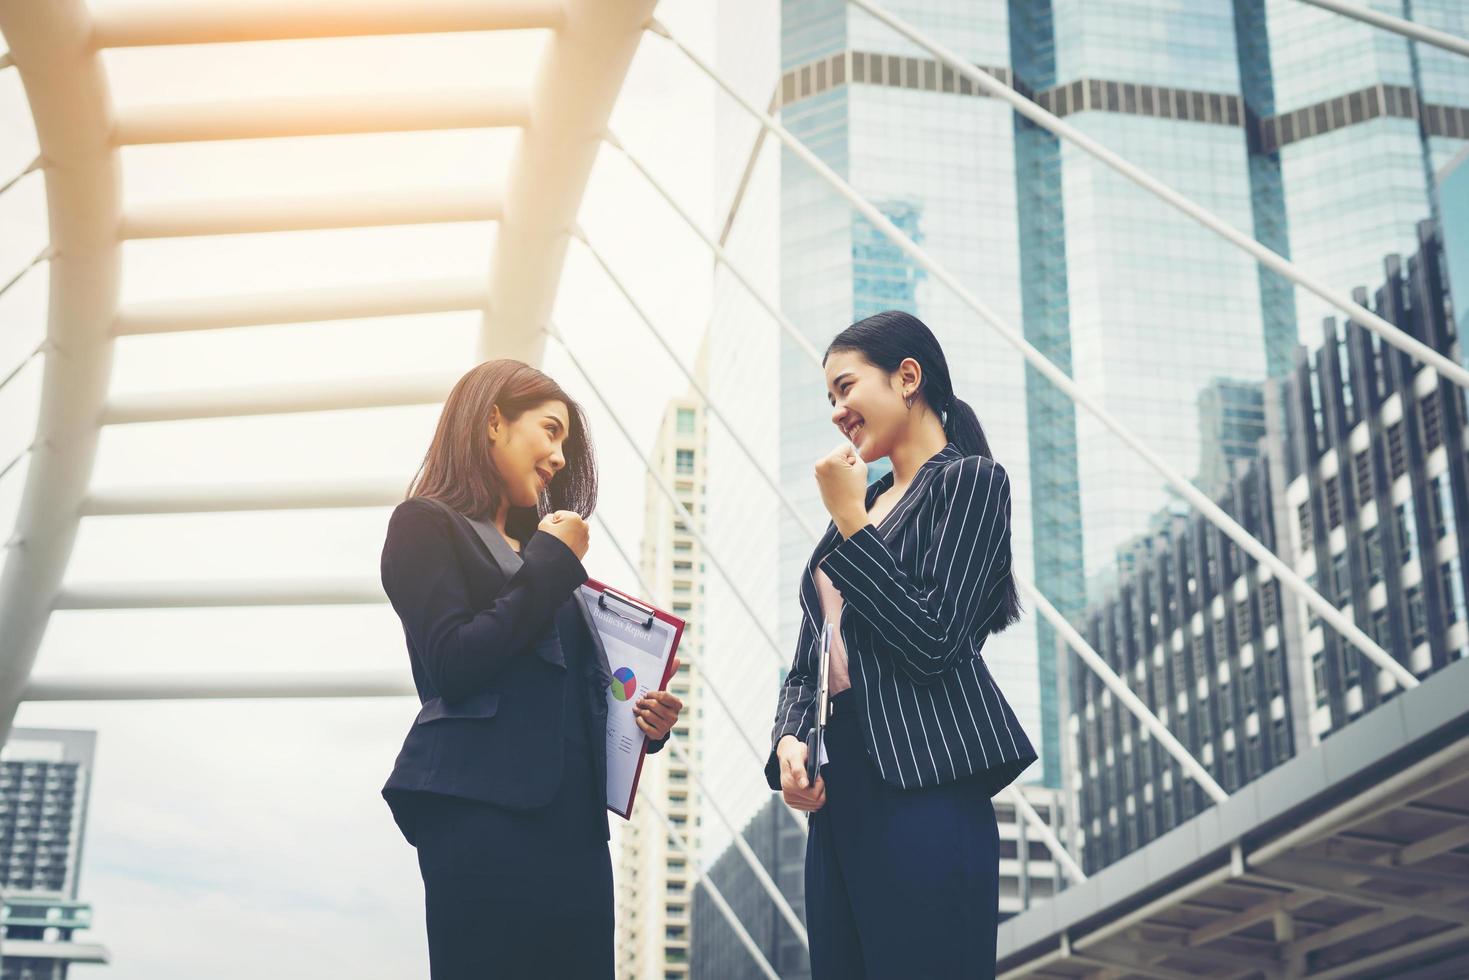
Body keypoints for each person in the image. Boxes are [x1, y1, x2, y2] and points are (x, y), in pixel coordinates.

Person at [380, 359, 684, 979]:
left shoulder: (542, 561)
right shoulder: (424, 525)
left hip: (572, 829)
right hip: (481, 814)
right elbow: (453, 663)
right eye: (550, 431)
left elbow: (562, 693)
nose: (559, 458)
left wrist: (642, 722)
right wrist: (550, 560)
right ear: (493, 421)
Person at [766, 310, 1038, 979]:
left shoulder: (970, 482)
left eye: (845, 387)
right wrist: (789, 740)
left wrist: (851, 519)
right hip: (840, 787)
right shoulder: (855, 513)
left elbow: (934, 638)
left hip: (924, 779)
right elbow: (810, 660)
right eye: (828, 397)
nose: (836, 411)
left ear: (907, 377)